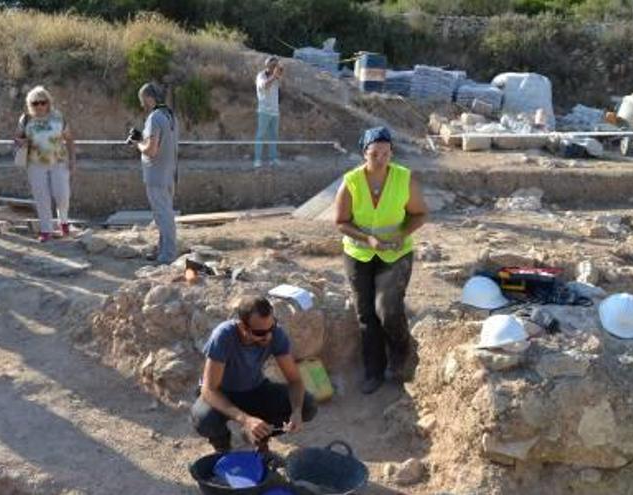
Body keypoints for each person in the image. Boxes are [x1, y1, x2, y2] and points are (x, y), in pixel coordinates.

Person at [334, 126, 429, 395]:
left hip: (395, 253)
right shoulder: (351, 181)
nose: (380, 159)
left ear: (391, 153)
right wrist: (367, 239)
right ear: (364, 153)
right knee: (366, 314)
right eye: (374, 153)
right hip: (359, 253)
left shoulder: (404, 178)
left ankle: (400, 356)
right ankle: (373, 371)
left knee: (387, 308)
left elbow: (420, 214)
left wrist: (403, 233)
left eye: (386, 153)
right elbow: (340, 222)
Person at [191, 295, 317, 453]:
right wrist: (246, 419)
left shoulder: (275, 334)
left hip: (254, 389)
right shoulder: (223, 335)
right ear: (243, 326)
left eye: (271, 328)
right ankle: (222, 447)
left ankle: (259, 437)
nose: (268, 336)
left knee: (307, 405)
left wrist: (297, 411)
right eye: (260, 332)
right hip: (222, 393)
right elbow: (209, 390)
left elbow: (295, 380)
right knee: (204, 418)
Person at [14, 86, 76, 242]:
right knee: (41, 197)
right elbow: (17, 137)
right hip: (35, 162)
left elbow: (69, 138)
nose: (40, 106)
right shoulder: (26, 119)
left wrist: (73, 158)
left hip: (59, 160)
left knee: (62, 195)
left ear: (48, 102)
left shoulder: (58, 117)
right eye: (35, 103)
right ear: (30, 104)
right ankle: (46, 229)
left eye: (43, 102)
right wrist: (20, 141)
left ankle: (63, 221)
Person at [129, 82, 177, 264]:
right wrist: (143, 138)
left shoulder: (155, 117)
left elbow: (151, 150)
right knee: (164, 214)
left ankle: (167, 256)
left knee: (163, 216)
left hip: (156, 175)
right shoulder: (170, 115)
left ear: (149, 98)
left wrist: (137, 144)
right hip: (169, 173)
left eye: (143, 100)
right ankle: (163, 251)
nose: (142, 104)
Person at [254, 56, 282, 168]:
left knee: (274, 136)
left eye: (276, 65)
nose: (275, 67)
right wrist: (274, 76)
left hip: (275, 111)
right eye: (273, 65)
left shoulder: (276, 77)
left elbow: (281, 86)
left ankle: (273, 159)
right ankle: (257, 160)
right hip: (264, 111)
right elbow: (264, 86)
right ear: (267, 65)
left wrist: (278, 75)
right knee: (260, 136)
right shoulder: (261, 76)